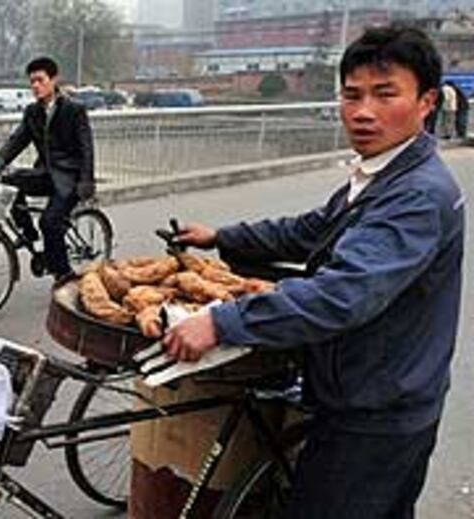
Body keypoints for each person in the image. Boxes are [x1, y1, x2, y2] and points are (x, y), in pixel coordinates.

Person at [164, 24, 464, 519]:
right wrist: (222, 237)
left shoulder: (416, 195)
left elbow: (342, 293)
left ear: (426, 101)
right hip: (372, 387)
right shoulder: (384, 173)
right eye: (352, 95)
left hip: (376, 412)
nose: (363, 111)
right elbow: (309, 230)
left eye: (385, 94)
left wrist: (220, 322)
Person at [0, 57, 95, 284]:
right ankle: (28, 233)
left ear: (54, 80)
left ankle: (63, 275)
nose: (35, 86)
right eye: (31, 82)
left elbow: (86, 148)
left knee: (50, 222)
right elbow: (17, 140)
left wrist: (86, 181)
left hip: (69, 178)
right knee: (9, 183)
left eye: (40, 80)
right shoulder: (32, 112)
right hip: (45, 173)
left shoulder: (74, 110)